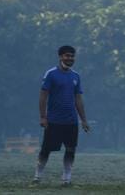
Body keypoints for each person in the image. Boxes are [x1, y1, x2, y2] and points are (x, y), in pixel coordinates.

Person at [32, 45, 90, 186]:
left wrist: (83, 120)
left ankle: (67, 179)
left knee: (70, 149)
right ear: (60, 57)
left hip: (71, 121)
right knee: (46, 150)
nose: (70, 58)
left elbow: (78, 99)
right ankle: (37, 177)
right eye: (67, 55)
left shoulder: (76, 76)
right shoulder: (51, 74)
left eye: (72, 56)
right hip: (54, 120)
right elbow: (43, 96)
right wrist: (43, 116)